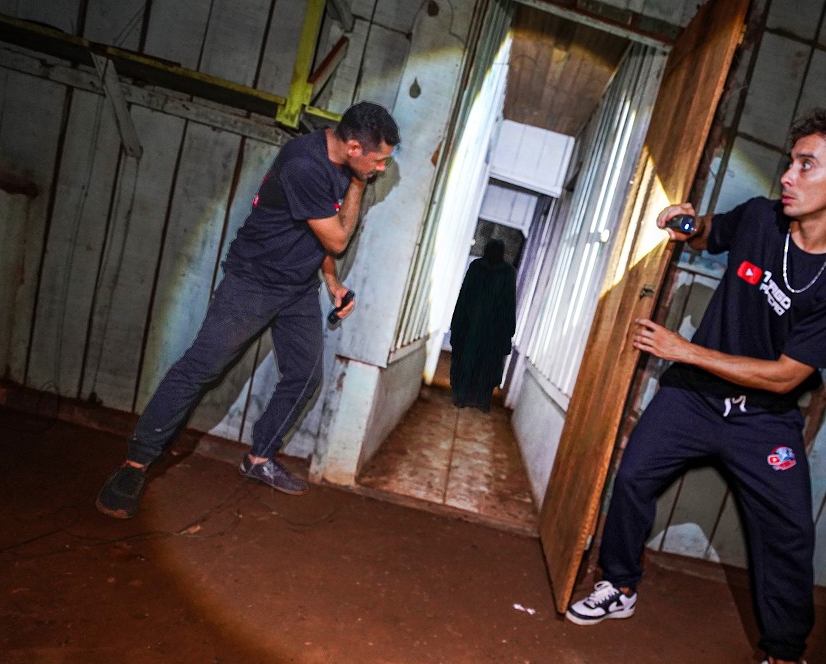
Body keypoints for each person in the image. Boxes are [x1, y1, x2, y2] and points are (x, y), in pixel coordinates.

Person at [566, 109, 826, 664]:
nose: (788, 174)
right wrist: (684, 222)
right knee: (632, 479)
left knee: (789, 537)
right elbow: (711, 232)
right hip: (692, 398)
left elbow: (789, 374)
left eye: (805, 164)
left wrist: (684, 349)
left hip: (766, 420)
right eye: (791, 160)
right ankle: (619, 584)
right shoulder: (762, 219)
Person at [95, 102, 400, 519]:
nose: (381, 168)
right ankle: (134, 465)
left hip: (296, 288)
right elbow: (337, 239)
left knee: (305, 375)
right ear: (352, 147)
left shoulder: (340, 164)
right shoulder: (305, 165)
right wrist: (359, 185)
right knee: (199, 368)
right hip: (253, 282)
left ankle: (258, 458)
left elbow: (318, 236)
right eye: (378, 159)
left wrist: (331, 282)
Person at [448, 239, 517, 411]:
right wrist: (508, 331)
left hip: (473, 326)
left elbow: (464, 297)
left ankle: (462, 397)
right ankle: (482, 401)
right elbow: (509, 304)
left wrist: (458, 324)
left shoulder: (477, 267)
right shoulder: (507, 272)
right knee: (486, 366)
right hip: (492, 331)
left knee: (468, 363)